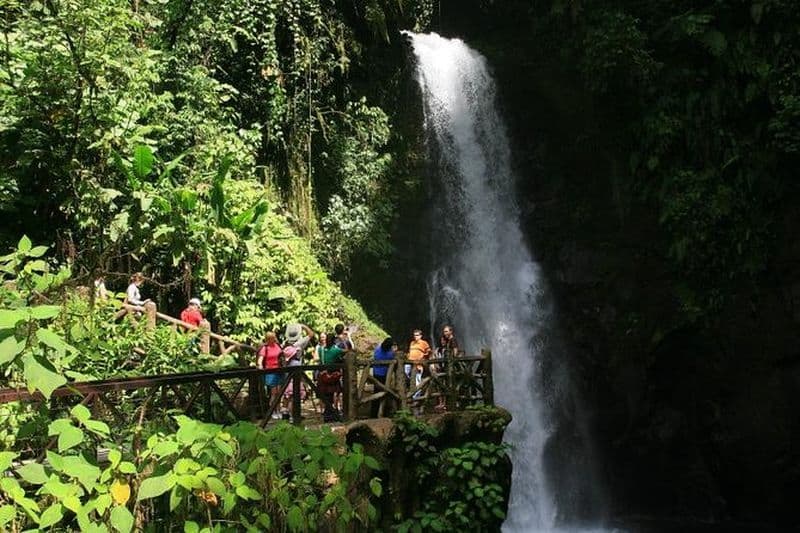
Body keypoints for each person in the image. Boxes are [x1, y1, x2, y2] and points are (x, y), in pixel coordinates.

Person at [281, 323, 316, 418]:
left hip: (287, 371)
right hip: (296, 370)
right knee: (294, 395)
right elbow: (311, 334)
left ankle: (285, 414)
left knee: (287, 394)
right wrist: (303, 326)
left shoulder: (285, 344)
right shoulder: (299, 343)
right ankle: (294, 416)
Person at [318, 333, 347, 422]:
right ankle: (330, 415)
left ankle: (329, 414)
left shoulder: (320, 350)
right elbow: (348, 350)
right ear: (334, 341)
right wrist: (343, 340)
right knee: (333, 394)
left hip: (324, 375)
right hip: (333, 376)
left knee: (327, 396)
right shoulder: (336, 350)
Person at [257, 331, 284, 420]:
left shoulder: (278, 346)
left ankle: (279, 410)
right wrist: (260, 367)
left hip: (279, 371)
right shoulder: (265, 348)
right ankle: (272, 411)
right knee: (273, 393)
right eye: (271, 338)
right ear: (268, 339)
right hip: (270, 372)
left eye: (274, 337)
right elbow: (260, 360)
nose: (273, 339)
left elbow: (282, 355)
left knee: (279, 393)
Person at [434, 325, 459, 411]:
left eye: (446, 331)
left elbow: (455, 352)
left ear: (451, 331)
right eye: (444, 331)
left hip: (450, 367)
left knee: (449, 385)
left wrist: (453, 361)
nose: (445, 333)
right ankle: (444, 403)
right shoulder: (447, 341)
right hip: (445, 367)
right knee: (444, 385)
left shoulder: (453, 340)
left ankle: (450, 403)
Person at [372, 337, 395, 417]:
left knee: (376, 393)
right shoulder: (390, 354)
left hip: (376, 374)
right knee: (385, 393)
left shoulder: (377, 350)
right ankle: (384, 412)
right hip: (385, 375)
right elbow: (393, 359)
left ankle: (373, 413)